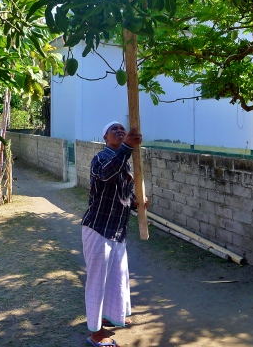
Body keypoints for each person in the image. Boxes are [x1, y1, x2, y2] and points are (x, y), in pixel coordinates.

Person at [81, 121, 148, 347]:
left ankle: (109, 315)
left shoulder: (126, 166)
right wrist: (127, 147)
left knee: (116, 278)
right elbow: (107, 174)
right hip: (98, 227)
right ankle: (96, 333)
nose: (120, 131)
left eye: (122, 129)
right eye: (114, 130)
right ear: (105, 138)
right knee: (97, 281)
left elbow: (123, 198)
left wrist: (136, 202)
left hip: (118, 231)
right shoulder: (101, 158)